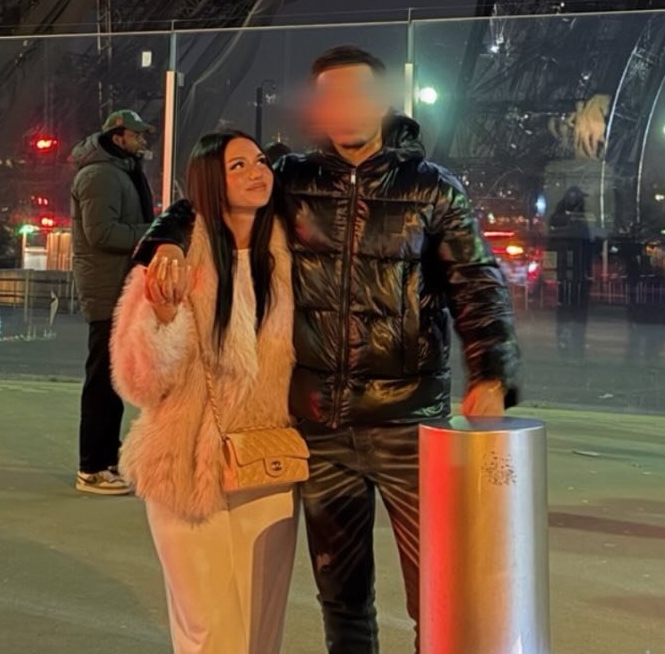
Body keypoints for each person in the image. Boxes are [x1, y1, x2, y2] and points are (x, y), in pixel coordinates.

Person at [147, 45, 521, 653]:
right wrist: (163, 241)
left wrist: (492, 372)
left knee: (439, 591)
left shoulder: (433, 189)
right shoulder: (290, 177)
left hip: (409, 424)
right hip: (320, 428)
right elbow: (211, 192)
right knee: (342, 599)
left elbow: (475, 282)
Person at [111, 131, 298, 652]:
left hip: (269, 465)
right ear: (210, 182)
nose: (257, 172)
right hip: (187, 469)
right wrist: (164, 318)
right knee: (210, 631)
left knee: (261, 630)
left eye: (259, 161)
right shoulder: (175, 260)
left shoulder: (290, 257)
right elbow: (139, 381)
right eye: (238, 166)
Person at [70, 109, 155, 495]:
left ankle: (106, 460)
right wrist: (153, 232)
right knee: (103, 381)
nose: (142, 140)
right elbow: (102, 233)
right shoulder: (100, 175)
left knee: (112, 379)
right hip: (108, 290)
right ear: (118, 137)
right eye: (137, 135)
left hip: (119, 287)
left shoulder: (119, 171)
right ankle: (92, 468)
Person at [550, 187, 593, 359]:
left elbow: (588, 243)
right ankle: (568, 343)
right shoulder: (562, 218)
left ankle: (574, 343)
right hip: (570, 270)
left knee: (575, 308)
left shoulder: (579, 218)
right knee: (568, 307)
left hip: (577, 271)